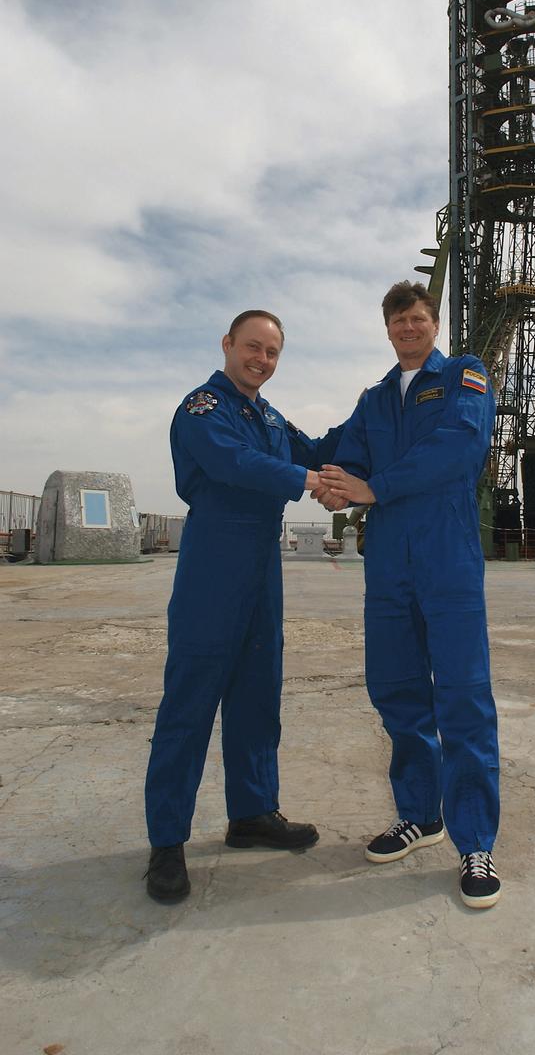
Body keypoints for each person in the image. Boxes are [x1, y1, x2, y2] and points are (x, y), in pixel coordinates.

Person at [144, 310, 342, 903]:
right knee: (191, 699)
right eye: (252, 347)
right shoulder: (202, 408)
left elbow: (319, 448)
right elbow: (235, 463)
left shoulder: (270, 416)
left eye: (272, 353)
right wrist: (310, 481)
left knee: (259, 693)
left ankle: (252, 813)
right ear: (228, 344)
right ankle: (166, 843)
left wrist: (378, 408)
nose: (261, 359)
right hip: (214, 560)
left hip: (262, 566)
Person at [315, 282, 501, 909]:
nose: (408, 329)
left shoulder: (463, 379)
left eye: (418, 319)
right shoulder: (373, 400)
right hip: (389, 565)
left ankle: (476, 843)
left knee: (463, 696)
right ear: (387, 329)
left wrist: (371, 489)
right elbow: (340, 454)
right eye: (398, 322)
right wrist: (320, 476)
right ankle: (421, 816)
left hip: (446, 558)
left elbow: (457, 449)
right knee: (396, 692)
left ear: (434, 322)